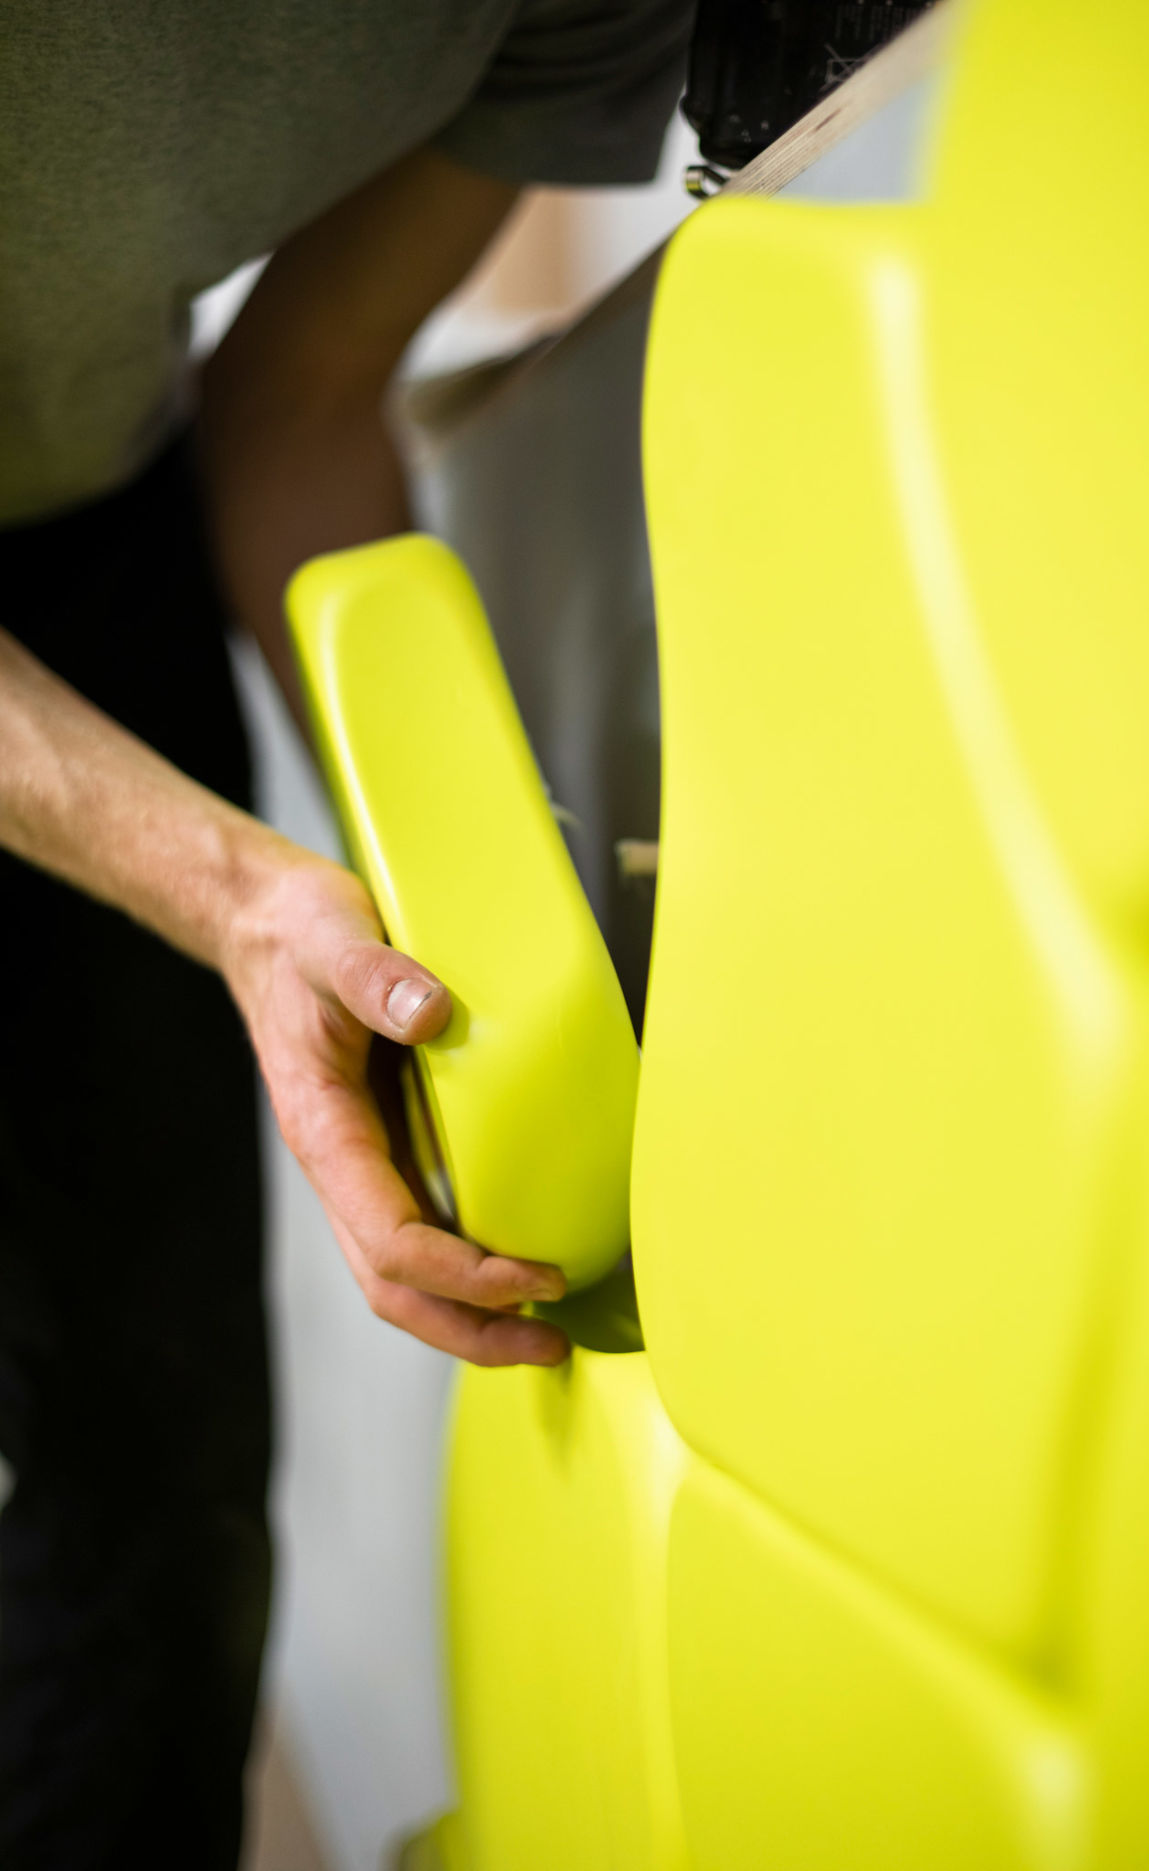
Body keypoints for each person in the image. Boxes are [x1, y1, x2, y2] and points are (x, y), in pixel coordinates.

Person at [0, 2, 692, 1862]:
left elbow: (299, 405)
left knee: (154, 1480)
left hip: (82, 522)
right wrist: (228, 893)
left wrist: (457, 922)